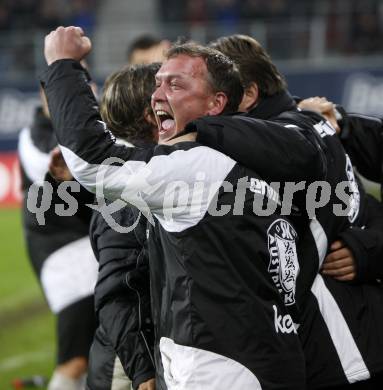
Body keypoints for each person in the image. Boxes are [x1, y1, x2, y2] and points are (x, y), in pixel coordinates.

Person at [40, 26, 328, 389]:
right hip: (275, 354)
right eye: (158, 83)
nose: (157, 96)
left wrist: (64, 64)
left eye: (174, 85)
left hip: (217, 369)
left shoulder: (195, 167)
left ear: (215, 103)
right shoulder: (262, 156)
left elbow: (93, 159)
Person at [205, 34, 383, 389]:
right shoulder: (313, 124)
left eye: (216, 93)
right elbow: (363, 209)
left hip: (340, 344)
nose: (211, 106)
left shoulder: (287, 143)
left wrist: (369, 248)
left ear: (249, 94)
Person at [87, 63, 160, 390]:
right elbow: (117, 292)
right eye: (168, 89)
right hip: (125, 367)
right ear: (151, 114)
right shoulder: (126, 192)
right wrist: (142, 369)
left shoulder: (152, 169)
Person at [18, 86, 97, 390]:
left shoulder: (89, 126)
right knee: (75, 360)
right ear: (44, 96)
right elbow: (49, 165)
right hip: (65, 254)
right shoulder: (36, 134)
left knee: (100, 351)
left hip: (92, 247)